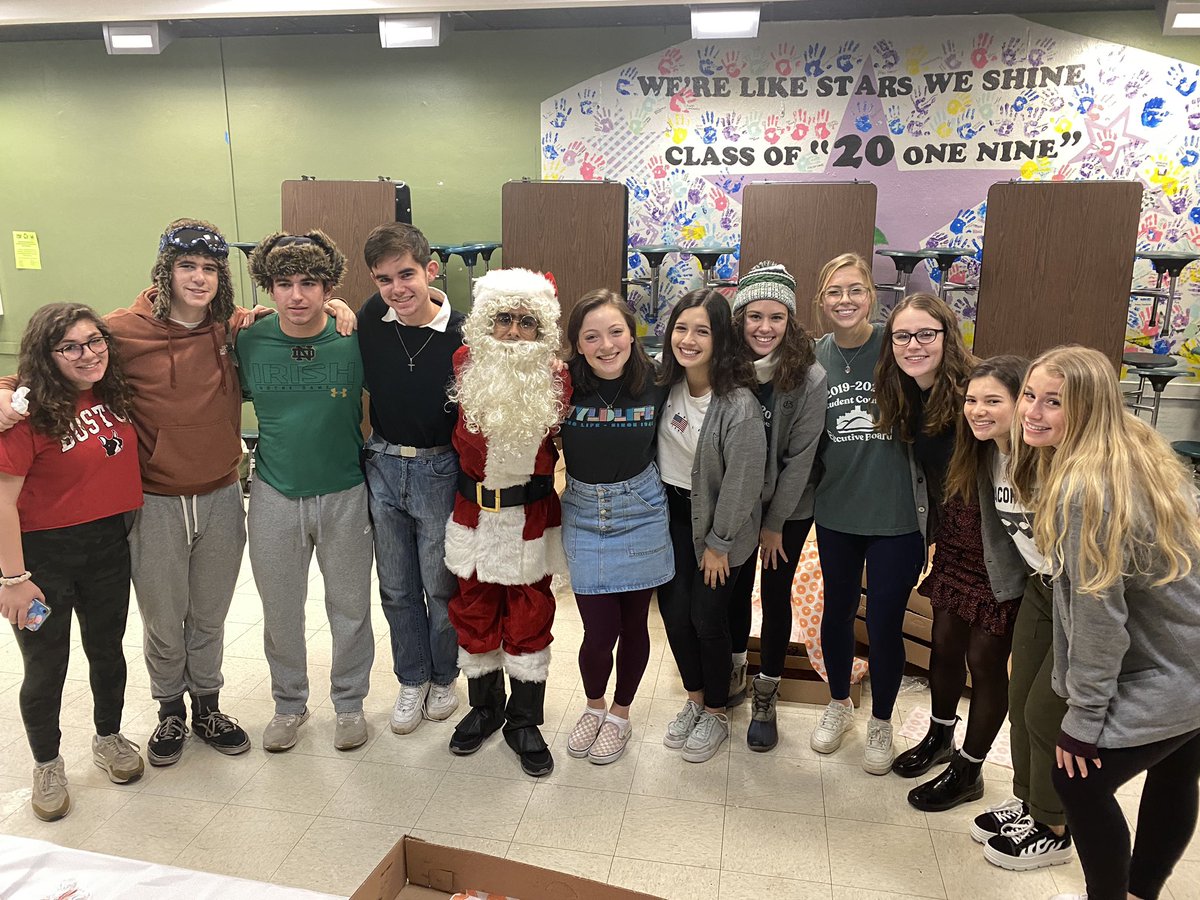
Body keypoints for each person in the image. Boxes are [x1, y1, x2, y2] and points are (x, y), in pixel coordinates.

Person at [0, 219, 354, 767]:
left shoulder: (232, 328)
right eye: (187, 266)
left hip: (219, 493)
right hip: (157, 499)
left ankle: (208, 705)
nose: (198, 278)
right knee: (165, 618)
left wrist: (337, 307)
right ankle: (170, 711)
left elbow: (298, 311)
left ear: (222, 277)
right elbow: (56, 358)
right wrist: (3, 390)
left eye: (210, 268)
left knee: (209, 615)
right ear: (166, 270)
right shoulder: (121, 330)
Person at [1010, 345, 1200, 900]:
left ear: (1090, 409)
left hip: (1169, 671)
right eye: (1030, 396)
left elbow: (1097, 617)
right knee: (1178, 769)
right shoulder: (1136, 446)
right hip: (1188, 662)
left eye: (1053, 403)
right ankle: (1142, 891)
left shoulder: (1084, 490)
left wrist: (1085, 713)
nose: (1032, 413)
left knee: (1078, 780)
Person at [877, 299, 1026, 812]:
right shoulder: (907, 393)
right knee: (943, 646)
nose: (913, 346)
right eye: (902, 336)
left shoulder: (973, 391)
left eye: (925, 334)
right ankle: (941, 737)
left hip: (997, 543)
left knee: (985, 660)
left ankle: (970, 768)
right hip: (955, 538)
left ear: (948, 335)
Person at [0, 303, 143, 821]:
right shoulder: (25, 410)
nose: (89, 354)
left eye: (95, 340)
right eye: (71, 347)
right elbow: (2, 501)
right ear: (48, 354)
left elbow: (157, 310)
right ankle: (46, 762)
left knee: (107, 651)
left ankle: (108, 737)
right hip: (42, 559)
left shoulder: (113, 389)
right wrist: (13, 579)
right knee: (46, 665)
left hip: (107, 545)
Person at [239, 231, 375, 753]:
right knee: (281, 608)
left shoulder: (352, 336)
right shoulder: (248, 339)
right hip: (274, 492)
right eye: (284, 283)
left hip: (344, 490)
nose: (297, 295)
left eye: (310, 284)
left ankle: (349, 704)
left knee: (350, 606)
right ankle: (289, 704)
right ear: (269, 288)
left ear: (328, 287)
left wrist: (348, 311)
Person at [442, 268, 569, 777]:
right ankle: (485, 707)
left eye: (526, 322)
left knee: (530, 615)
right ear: (483, 324)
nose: (514, 333)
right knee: (473, 610)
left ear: (541, 330)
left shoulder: (558, 378)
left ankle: (523, 720)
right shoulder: (464, 364)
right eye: (502, 320)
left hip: (530, 519)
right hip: (473, 516)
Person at [808, 253, 925, 775]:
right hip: (836, 511)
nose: (845, 301)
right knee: (835, 612)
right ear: (822, 300)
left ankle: (881, 719)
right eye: (834, 292)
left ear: (871, 297)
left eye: (854, 290)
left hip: (896, 517)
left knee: (883, 622)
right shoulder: (815, 359)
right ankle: (838, 705)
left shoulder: (896, 348)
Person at [357, 223, 464, 736]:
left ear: (430, 270)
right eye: (384, 279)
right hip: (381, 465)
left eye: (406, 275)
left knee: (440, 586)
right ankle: (412, 677)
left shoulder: (462, 333)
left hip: (439, 469)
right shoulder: (370, 318)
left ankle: (445, 674)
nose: (397, 289)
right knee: (396, 587)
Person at [559, 289, 673, 765]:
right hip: (584, 513)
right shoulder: (562, 384)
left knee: (634, 624)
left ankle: (621, 713)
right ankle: (593, 705)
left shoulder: (661, 380)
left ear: (632, 333)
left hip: (642, 509)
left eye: (616, 332)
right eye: (592, 336)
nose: (606, 345)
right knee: (598, 629)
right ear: (578, 344)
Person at [656, 289, 767, 763]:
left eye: (702, 330)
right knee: (675, 616)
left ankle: (718, 711)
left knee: (707, 618)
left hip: (721, 530)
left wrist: (719, 545)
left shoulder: (736, 405)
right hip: (670, 519)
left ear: (721, 340)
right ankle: (696, 699)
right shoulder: (665, 385)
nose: (689, 338)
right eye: (681, 328)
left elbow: (743, 484)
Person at [727, 262, 826, 752]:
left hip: (787, 508)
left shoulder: (808, 377)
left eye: (777, 318)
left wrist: (773, 526)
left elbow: (800, 461)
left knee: (776, 589)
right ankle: (734, 670)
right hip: (737, 501)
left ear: (791, 322)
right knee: (734, 588)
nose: (765, 328)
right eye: (754, 316)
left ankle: (767, 691)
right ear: (739, 318)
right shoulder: (726, 367)